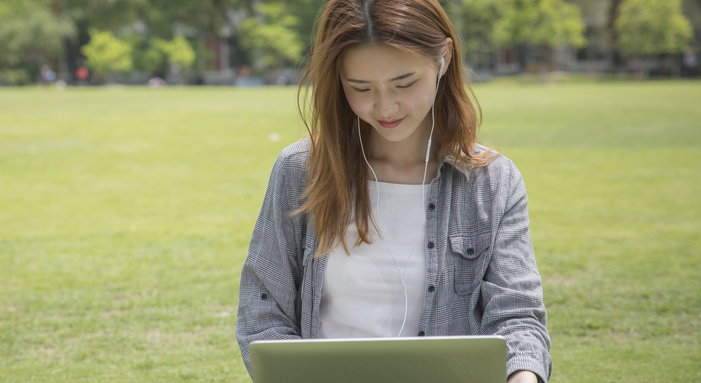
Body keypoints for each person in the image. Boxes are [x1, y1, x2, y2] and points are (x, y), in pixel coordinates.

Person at [235, 1, 552, 382]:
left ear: (444, 57)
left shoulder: (493, 182)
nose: (385, 107)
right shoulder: (300, 169)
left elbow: (517, 318)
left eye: (405, 83)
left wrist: (523, 376)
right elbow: (263, 311)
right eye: (361, 88)